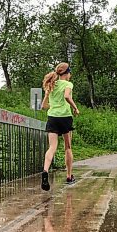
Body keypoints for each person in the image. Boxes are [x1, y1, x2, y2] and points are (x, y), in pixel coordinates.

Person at [40, 62, 80, 191]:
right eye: (70, 73)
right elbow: (67, 96)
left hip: (52, 117)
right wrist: (75, 108)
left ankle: (45, 170)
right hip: (65, 117)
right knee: (67, 147)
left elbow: (43, 107)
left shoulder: (51, 85)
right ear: (67, 73)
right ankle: (69, 176)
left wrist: (47, 96)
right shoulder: (68, 84)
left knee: (52, 147)